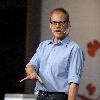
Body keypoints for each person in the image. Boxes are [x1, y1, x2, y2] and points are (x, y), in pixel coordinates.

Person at [20, 8, 85, 100]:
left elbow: (74, 83)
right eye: (54, 22)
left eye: (61, 22)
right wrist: (33, 73)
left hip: (58, 97)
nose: (57, 26)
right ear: (50, 25)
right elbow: (30, 65)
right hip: (40, 96)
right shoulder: (43, 45)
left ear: (68, 24)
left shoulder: (74, 49)